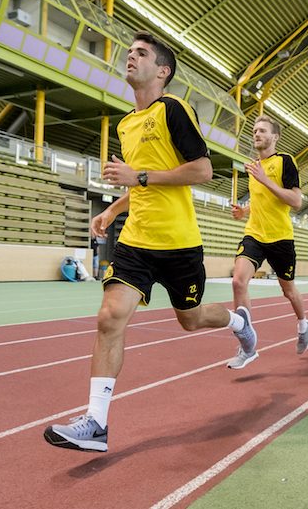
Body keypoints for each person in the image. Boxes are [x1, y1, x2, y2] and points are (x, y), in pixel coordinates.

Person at [42, 31, 256, 453]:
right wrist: (113, 209)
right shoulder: (125, 123)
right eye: (128, 53)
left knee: (190, 319)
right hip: (136, 240)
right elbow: (141, 184)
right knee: (109, 317)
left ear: (163, 70)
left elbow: (201, 171)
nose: (130, 58)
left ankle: (239, 323)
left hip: (178, 242)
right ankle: (96, 424)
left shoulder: (173, 109)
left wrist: (137, 177)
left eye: (141, 54)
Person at [228, 116, 308, 368]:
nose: (256, 134)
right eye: (254, 130)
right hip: (255, 234)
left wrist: (265, 179)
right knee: (238, 280)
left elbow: (295, 201)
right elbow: (262, 200)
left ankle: (303, 323)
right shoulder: (255, 167)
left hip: (281, 238)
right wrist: (245, 211)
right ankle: (247, 345)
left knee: (288, 291)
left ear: (275, 137)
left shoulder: (284, 162)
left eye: (262, 131)